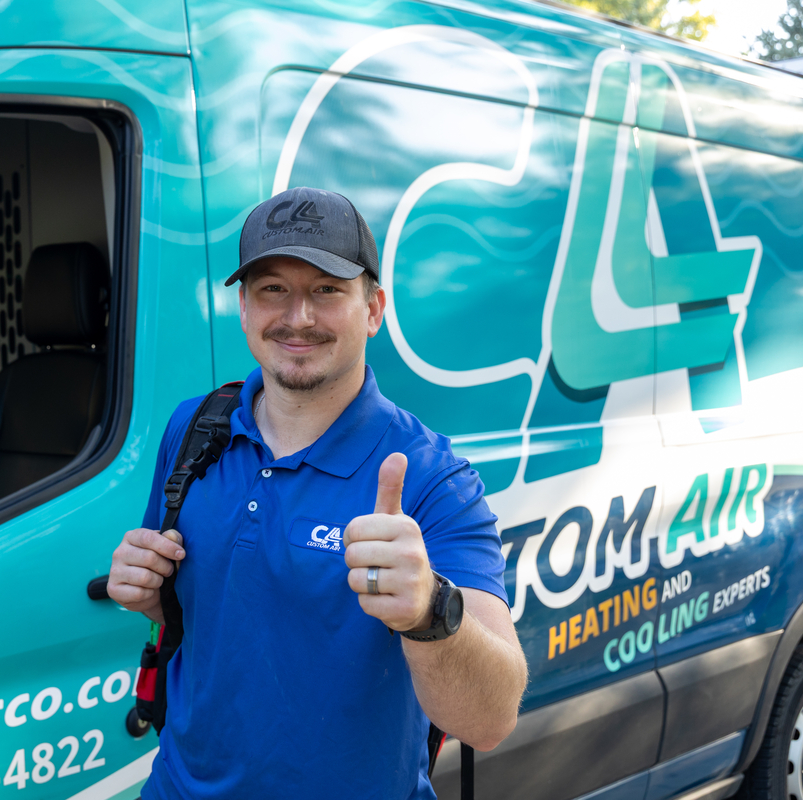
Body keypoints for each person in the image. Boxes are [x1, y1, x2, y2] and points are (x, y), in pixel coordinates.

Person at [108, 187, 528, 799]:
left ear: (374, 308)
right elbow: (214, 612)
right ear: (246, 309)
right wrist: (146, 588)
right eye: (272, 289)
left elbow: (490, 721)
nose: (297, 316)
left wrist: (428, 610)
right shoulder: (196, 429)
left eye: (327, 290)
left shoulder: (433, 477)